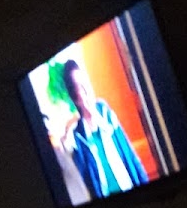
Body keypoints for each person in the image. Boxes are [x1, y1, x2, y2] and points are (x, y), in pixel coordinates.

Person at [61, 60, 148, 199]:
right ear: (74, 97)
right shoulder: (78, 137)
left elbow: (131, 155)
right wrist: (67, 134)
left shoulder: (106, 115)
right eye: (80, 87)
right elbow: (82, 179)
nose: (86, 89)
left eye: (86, 82)